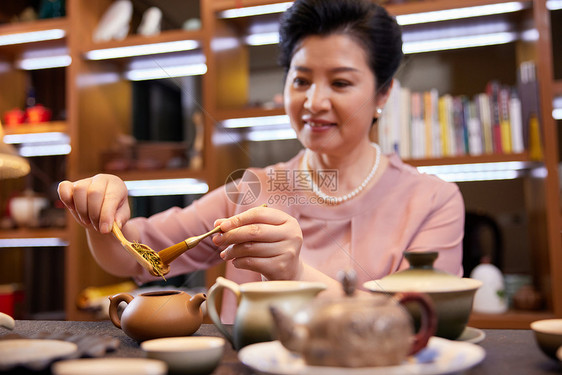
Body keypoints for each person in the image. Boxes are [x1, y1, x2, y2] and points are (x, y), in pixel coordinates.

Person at [58, 0, 464, 323]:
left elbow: (420, 322)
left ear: (383, 93)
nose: (313, 102)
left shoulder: (433, 200)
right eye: (301, 79)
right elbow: (131, 257)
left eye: (340, 82)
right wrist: (102, 212)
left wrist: (296, 274)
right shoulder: (253, 190)